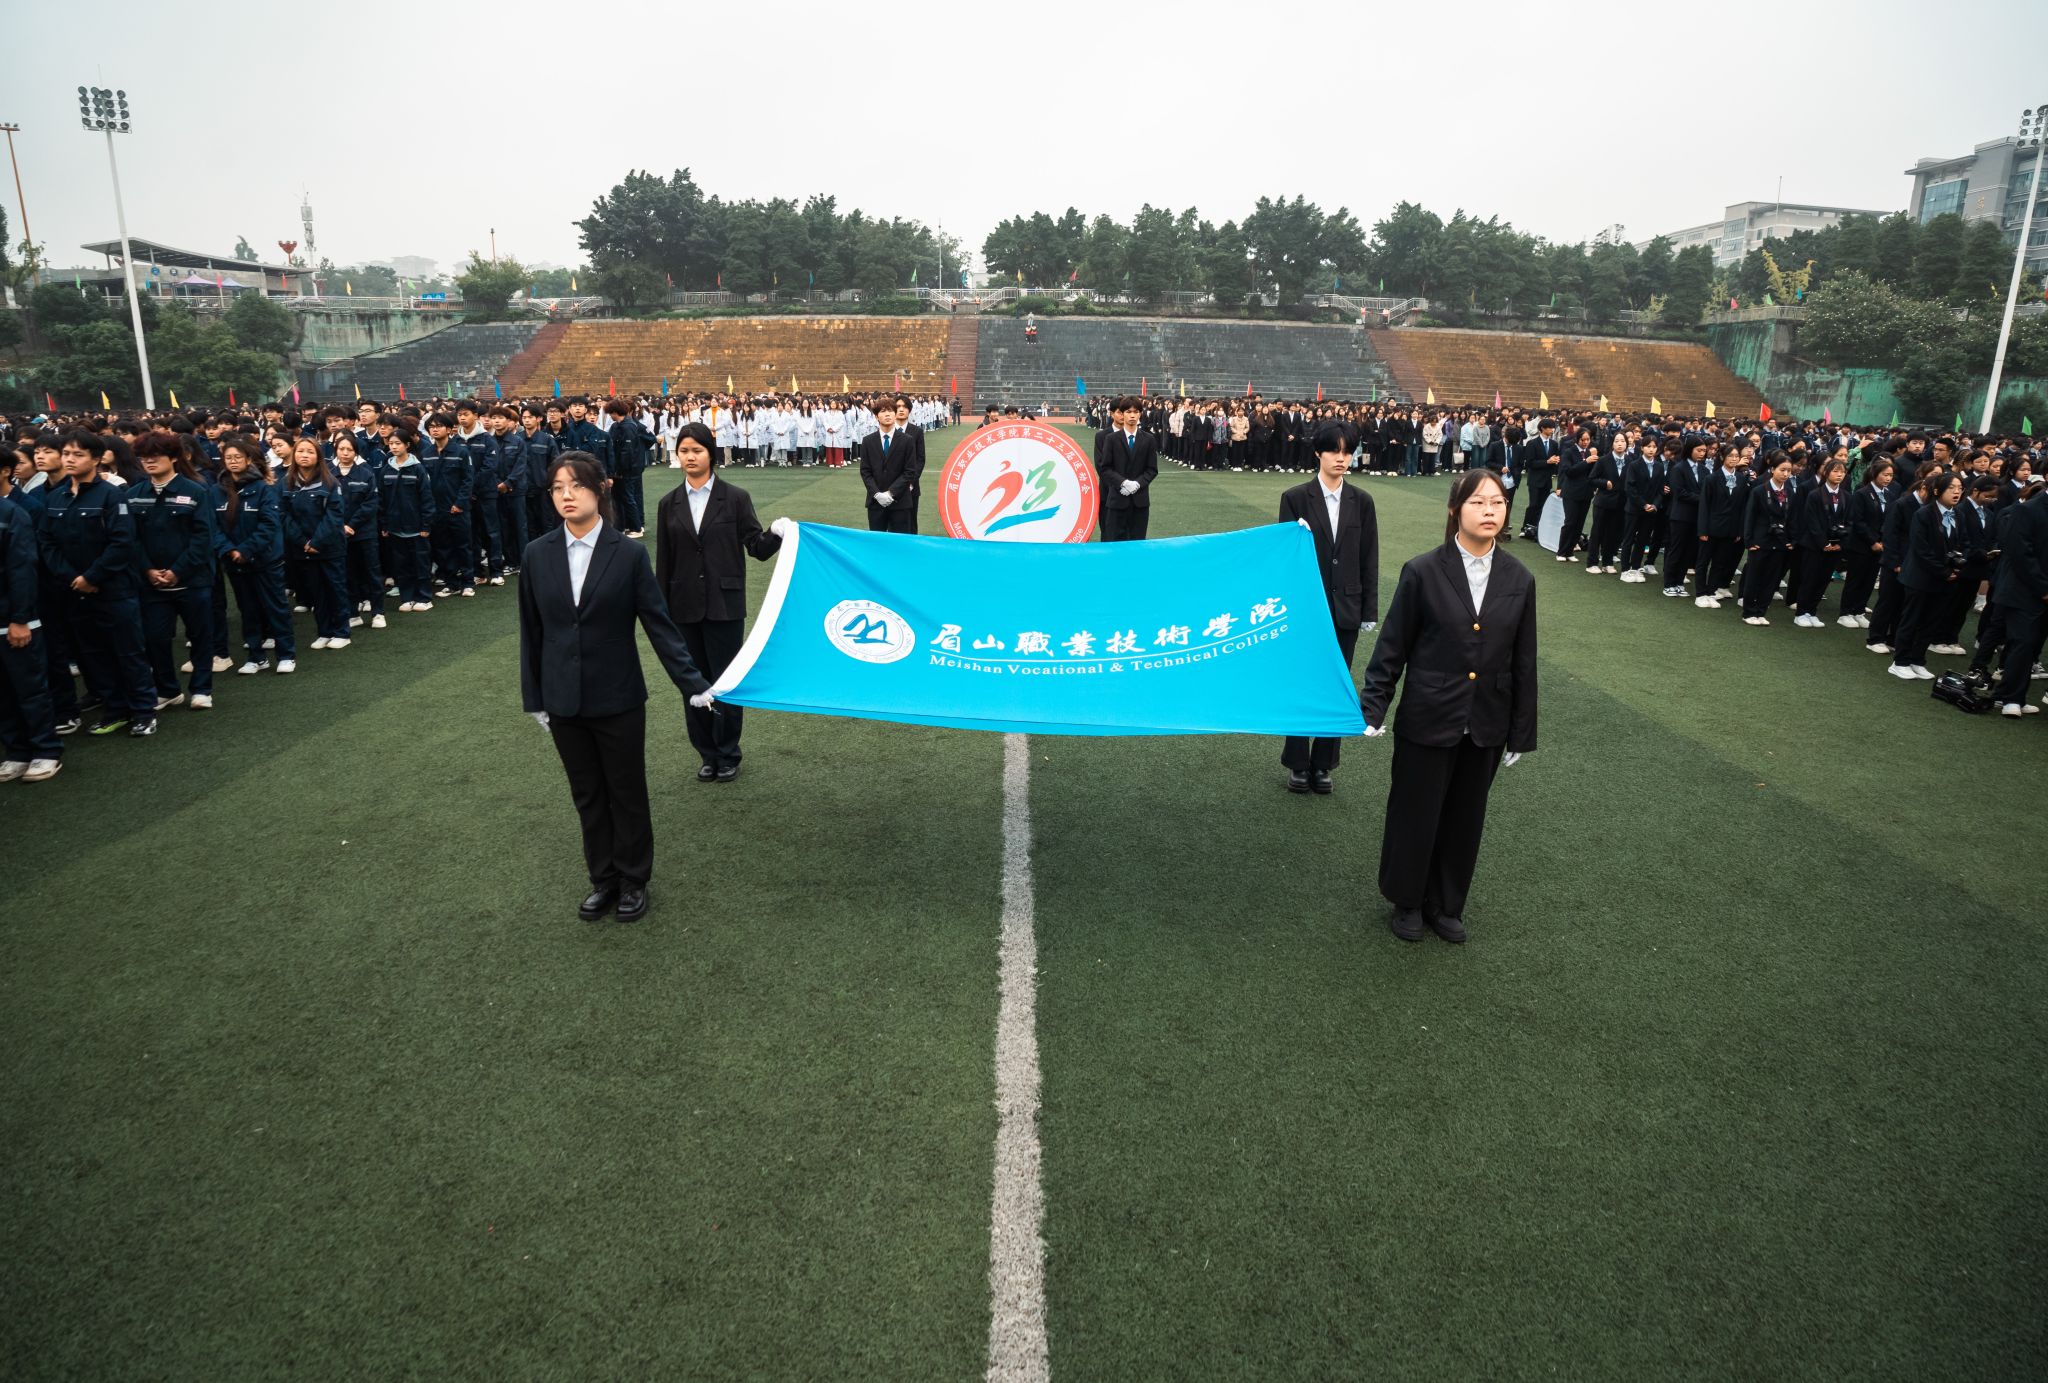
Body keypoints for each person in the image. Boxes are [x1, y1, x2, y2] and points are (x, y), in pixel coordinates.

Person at [520, 451, 711, 924]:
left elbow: (659, 625)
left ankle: (633, 879)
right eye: (557, 488)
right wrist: (535, 698)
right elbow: (533, 632)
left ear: (600, 489)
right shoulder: (537, 553)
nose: (566, 496)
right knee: (586, 793)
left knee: (626, 792)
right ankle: (602, 879)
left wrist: (693, 684)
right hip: (563, 699)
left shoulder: (627, 554)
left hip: (618, 697)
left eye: (576, 486)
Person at [1360, 469, 1537, 944]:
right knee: (1415, 813)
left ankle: (1446, 903)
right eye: (1478, 502)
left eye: (1497, 503)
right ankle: (1407, 900)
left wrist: (1521, 731)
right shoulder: (1423, 571)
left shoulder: (1519, 578)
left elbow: (1524, 659)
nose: (1489, 511)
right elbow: (1392, 647)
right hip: (1428, 715)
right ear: (1455, 510)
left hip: (1486, 721)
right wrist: (1374, 707)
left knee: (1465, 817)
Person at [654, 422, 783, 783]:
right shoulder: (668, 504)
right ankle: (706, 754)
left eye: (697, 450)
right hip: (683, 606)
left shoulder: (735, 498)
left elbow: (756, 548)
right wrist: (660, 610)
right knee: (693, 682)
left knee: (725, 682)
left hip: (724, 605)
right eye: (684, 451)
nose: (690, 457)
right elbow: (664, 561)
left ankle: (727, 753)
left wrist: (776, 533)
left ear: (710, 454)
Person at [1276, 422, 1378, 794]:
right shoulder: (1295, 497)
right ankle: (1297, 762)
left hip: (1347, 606)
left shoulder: (1362, 501)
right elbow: (1285, 557)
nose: (1341, 458)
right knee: (1303, 681)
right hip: (1306, 607)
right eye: (1334, 450)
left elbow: (1369, 557)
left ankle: (1324, 764)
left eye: (1347, 451)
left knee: (1337, 684)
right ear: (1318, 452)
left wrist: (1368, 610)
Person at [40, 429, 158, 736]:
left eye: (78, 454)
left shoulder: (111, 495)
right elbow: (47, 544)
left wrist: (92, 577)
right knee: (93, 654)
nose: (70, 459)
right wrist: (73, 578)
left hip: (113, 589)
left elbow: (122, 542)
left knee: (128, 652)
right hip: (74, 591)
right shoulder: (55, 497)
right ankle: (115, 708)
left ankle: (143, 711)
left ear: (95, 459)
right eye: (66, 453)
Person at [128, 431, 217, 711]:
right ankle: (167, 689)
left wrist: (178, 570)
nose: (149, 461)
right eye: (144, 457)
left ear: (174, 457)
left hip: (193, 580)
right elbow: (131, 539)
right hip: (152, 583)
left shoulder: (196, 491)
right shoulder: (133, 495)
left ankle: (201, 689)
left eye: (155, 456)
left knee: (200, 635)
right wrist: (147, 569)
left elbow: (203, 537)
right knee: (155, 638)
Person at [218, 434, 296, 676]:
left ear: (248, 459)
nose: (233, 461)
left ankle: (286, 654)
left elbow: (269, 524)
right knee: (248, 610)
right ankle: (256, 656)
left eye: (237, 457)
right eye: (228, 458)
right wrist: (230, 550)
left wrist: (246, 549)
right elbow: (212, 527)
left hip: (265, 560)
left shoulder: (263, 488)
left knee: (276, 608)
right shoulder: (217, 490)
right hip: (234, 562)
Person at [0, 483, 62, 779]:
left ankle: (46, 750)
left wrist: (20, 618)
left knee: (30, 690)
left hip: (14, 621)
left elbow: (22, 567)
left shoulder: (12, 513)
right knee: (2, 694)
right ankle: (16, 752)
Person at [1890, 471, 1965, 680]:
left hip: (1944, 580)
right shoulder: (1923, 514)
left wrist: (1957, 567)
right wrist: (1944, 571)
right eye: (1951, 488)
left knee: (1931, 622)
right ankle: (1900, 661)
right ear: (1937, 491)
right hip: (1920, 577)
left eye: (1960, 488)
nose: (1956, 492)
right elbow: (1921, 549)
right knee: (1911, 620)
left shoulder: (1958, 514)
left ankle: (1917, 660)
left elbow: (1962, 543)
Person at [1990, 482, 2048, 717]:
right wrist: (2043, 588)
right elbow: (2020, 553)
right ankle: (2010, 698)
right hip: (2024, 590)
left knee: (2033, 646)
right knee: (2022, 642)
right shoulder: (2027, 509)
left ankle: (2010, 694)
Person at [1792, 456, 1851, 627]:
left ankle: (1812, 611)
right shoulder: (1815, 494)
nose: (1839, 475)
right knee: (1809, 579)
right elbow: (1811, 521)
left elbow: (1849, 522)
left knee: (1823, 580)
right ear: (1826, 473)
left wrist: (1840, 543)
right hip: (1814, 545)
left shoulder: (1846, 496)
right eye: (1835, 471)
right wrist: (1823, 543)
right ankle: (1801, 612)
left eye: (1842, 472)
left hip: (1835, 546)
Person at [1738, 451, 1796, 625]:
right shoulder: (1759, 490)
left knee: (1771, 579)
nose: (1785, 474)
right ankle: (1749, 612)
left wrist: (1791, 541)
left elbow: (1792, 518)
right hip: (1760, 541)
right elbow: (1750, 517)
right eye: (1782, 470)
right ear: (1772, 469)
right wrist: (1749, 541)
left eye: (1788, 471)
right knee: (1754, 577)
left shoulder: (1790, 492)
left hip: (1780, 542)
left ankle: (1761, 611)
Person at [1096, 396, 1159, 542]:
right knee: (1114, 541)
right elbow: (1105, 468)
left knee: (1137, 542)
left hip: (1140, 502)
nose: (1132, 415)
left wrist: (1137, 484)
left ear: (1140, 414)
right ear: (1122, 413)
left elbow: (1152, 469)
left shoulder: (1149, 439)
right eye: (1128, 412)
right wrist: (1123, 483)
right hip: (1117, 500)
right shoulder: (1111, 439)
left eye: (1135, 412)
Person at [858, 398, 922, 533]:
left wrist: (891, 493)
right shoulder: (868, 441)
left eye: (891, 411)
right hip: (876, 503)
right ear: (876, 416)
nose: (887, 414)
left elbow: (909, 471)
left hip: (900, 502)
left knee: (900, 542)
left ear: (895, 414)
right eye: (883, 411)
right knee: (877, 542)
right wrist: (877, 494)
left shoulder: (907, 440)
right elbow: (865, 471)